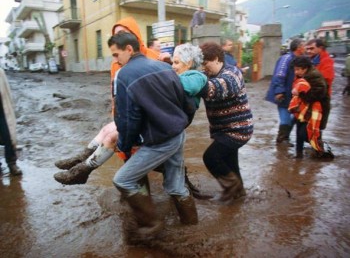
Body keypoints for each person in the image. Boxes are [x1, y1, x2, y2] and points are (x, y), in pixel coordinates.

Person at [53, 18, 200, 196]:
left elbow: (169, 94)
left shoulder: (152, 59)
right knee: (108, 133)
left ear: (134, 36)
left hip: (148, 121)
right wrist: (118, 117)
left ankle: (83, 170)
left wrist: (127, 129)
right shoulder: (117, 62)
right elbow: (117, 94)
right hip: (138, 118)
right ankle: (81, 161)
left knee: (124, 157)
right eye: (116, 34)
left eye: (123, 33)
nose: (118, 37)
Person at [110, 32, 198, 237]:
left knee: (123, 179)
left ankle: (152, 225)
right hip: (177, 135)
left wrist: (124, 145)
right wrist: (181, 124)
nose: (115, 60)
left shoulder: (123, 75)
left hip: (159, 141)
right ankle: (192, 227)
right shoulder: (165, 67)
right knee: (176, 185)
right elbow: (187, 104)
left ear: (129, 49)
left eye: (116, 55)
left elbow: (128, 118)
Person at [198, 42, 253, 204]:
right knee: (230, 163)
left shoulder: (232, 73)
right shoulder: (208, 75)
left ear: (216, 59)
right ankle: (240, 193)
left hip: (238, 129)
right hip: (222, 130)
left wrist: (194, 83)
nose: (204, 67)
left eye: (205, 63)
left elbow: (217, 89)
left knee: (211, 157)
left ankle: (231, 187)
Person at [288, 56, 334, 159]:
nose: (296, 72)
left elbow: (319, 93)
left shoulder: (314, 76)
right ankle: (299, 155)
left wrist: (300, 94)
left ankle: (320, 149)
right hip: (305, 109)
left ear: (305, 68)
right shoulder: (304, 75)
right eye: (295, 69)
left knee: (305, 133)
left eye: (298, 69)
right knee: (299, 131)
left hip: (315, 110)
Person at [265, 38, 305, 146]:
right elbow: (279, 75)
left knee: (292, 116)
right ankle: (282, 139)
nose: (305, 48)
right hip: (284, 94)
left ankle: (283, 137)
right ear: (298, 48)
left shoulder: (297, 59)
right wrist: (279, 91)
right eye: (304, 46)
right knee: (285, 116)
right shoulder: (287, 59)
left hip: (290, 94)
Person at [0, 69, 22, 176]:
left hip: (1, 111)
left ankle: (11, 163)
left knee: (7, 136)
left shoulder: (0, 72)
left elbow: (7, 92)